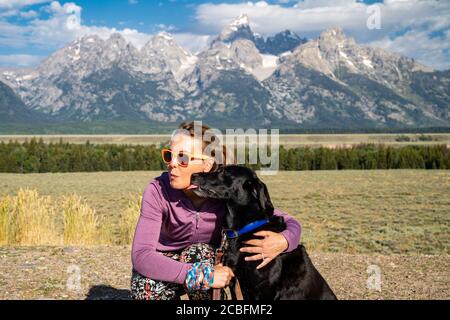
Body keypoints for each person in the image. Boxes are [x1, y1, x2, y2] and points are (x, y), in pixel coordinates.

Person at [130, 121, 301, 300]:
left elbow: (289, 221)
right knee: (145, 287)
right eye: (169, 156)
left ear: (207, 164)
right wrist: (199, 275)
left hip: (204, 257)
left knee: (198, 253)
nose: (172, 164)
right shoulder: (157, 190)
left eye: (182, 158)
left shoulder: (225, 189)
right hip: (167, 260)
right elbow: (142, 255)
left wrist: (284, 240)